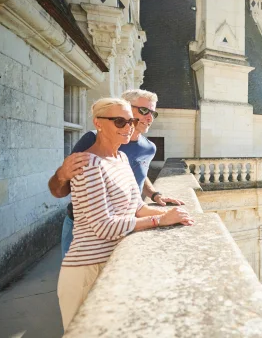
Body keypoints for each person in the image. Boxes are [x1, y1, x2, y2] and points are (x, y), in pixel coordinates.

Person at [57, 98, 194, 330]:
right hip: (87, 269)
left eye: (131, 121)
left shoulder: (120, 159)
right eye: (120, 121)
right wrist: (159, 220)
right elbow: (103, 226)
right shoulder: (88, 163)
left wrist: (169, 211)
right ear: (98, 123)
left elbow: (136, 207)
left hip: (111, 263)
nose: (129, 126)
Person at [48, 89, 184, 258]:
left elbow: (139, 173)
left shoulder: (149, 148)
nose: (149, 118)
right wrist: (61, 175)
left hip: (131, 224)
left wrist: (155, 195)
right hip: (86, 229)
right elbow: (60, 190)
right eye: (144, 111)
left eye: (153, 113)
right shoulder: (92, 140)